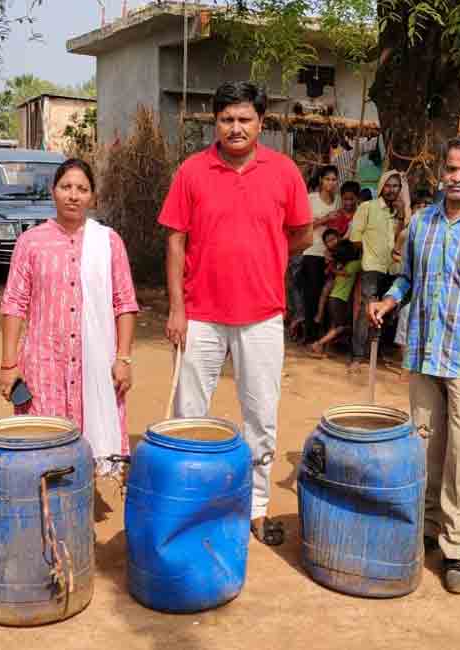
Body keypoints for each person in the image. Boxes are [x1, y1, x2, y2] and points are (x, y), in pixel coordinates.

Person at [160, 81, 312, 547]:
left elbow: (302, 234)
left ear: (261, 123)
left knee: (260, 418)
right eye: (227, 119)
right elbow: (174, 240)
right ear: (215, 122)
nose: (235, 127)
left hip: (263, 315)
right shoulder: (191, 171)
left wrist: (264, 258)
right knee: (189, 414)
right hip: (200, 316)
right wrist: (177, 309)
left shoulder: (284, 172)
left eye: (245, 119)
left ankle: (257, 508)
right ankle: (194, 505)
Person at [369, 136, 460, 595]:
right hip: (423, 353)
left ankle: (456, 549)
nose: (457, 177)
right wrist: (390, 300)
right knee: (423, 447)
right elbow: (408, 278)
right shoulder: (422, 224)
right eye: (452, 169)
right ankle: (426, 529)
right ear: (442, 171)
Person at [0, 159, 138, 474]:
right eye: (66, 187)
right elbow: (14, 303)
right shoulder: (31, 242)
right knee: (42, 441)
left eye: (82, 189)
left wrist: (123, 359)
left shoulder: (108, 242)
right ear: (53, 192)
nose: (73, 195)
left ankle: (77, 513)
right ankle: (46, 512)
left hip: (96, 363)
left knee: (88, 449)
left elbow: (124, 302)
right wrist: (8, 364)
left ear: (93, 197)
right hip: (44, 362)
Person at [347, 170, 403, 373]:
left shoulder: (401, 211)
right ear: (381, 186)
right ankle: (357, 356)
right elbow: (355, 238)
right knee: (366, 311)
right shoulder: (367, 207)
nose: (391, 190)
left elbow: (404, 238)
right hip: (372, 266)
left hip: (394, 268)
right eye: (388, 185)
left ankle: (375, 352)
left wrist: (403, 215)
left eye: (396, 186)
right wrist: (369, 253)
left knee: (387, 312)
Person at [301, 165, 341, 341]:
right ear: (320, 180)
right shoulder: (311, 199)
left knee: (329, 297)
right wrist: (326, 219)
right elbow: (304, 225)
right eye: (327, 179)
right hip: (312, 251)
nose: (330, 183)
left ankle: (324, 336)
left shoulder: (339, 200)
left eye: (334, 179)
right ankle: (309, 335)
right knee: (312, 294)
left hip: (333, 256)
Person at [309, 230, 361, 358]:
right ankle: (318, 344)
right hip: (339, 300)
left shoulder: (341, 266)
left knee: (334, 325)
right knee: (341, 327)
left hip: (333, 299)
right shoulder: (355, 265)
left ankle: (323, 349)